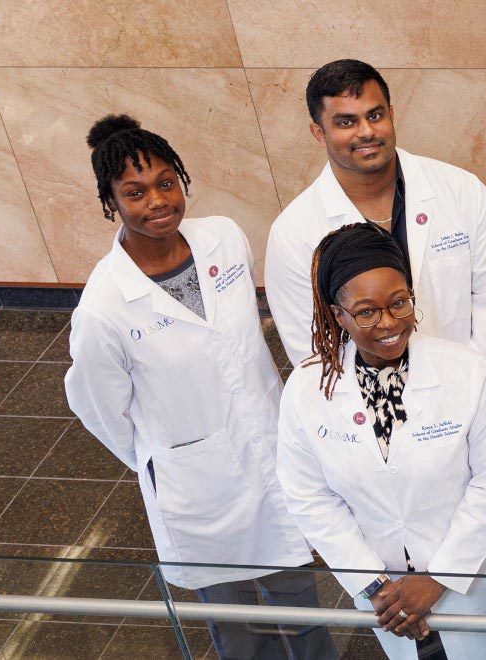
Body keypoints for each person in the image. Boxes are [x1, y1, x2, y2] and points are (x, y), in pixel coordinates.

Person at [65, 114, 336, 660]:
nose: (158, 201)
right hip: (195, 486)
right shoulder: (105, 305)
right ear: (111, 201)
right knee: (234, 624)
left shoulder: (224, 239)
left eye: (167, 183)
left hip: (270, 448)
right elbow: (99, 407)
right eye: (135, 192)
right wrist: (164, 459)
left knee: (303, 603)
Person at [276, 223, 486, 659]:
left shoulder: (468, 372)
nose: (390, 323)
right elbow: (309, 497)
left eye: (399, 303)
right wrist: (375, 586)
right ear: (338, 315)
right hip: (386, 601)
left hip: (475, 587)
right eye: (367, 312)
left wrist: (439, 577)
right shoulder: (306, 389)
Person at [266, 58, 486, 367]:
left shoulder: (462, 190)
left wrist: (470, 381)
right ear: (319, 133)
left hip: (477, 384)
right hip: (374, 405)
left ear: (392, 114)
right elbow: (314, 346)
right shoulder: (294, 233)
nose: (366, 131)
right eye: (346, 122)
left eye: (375, 115)